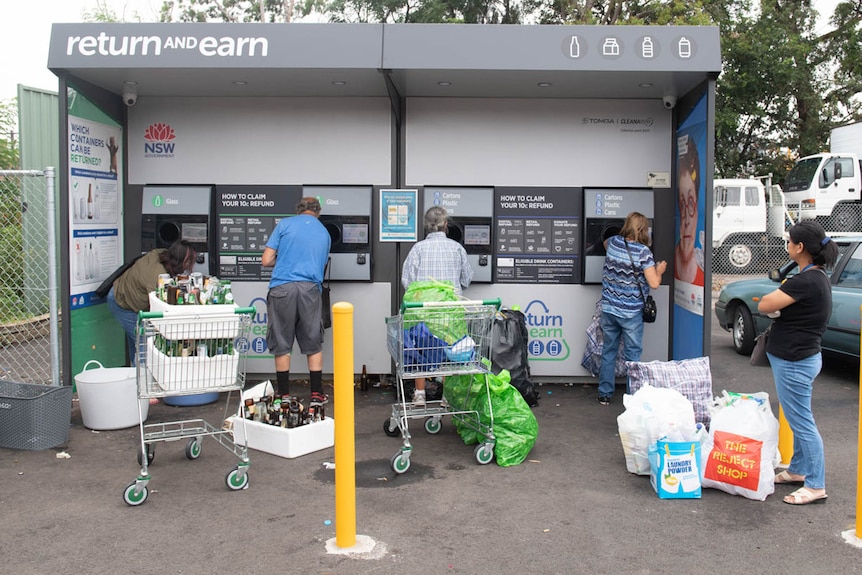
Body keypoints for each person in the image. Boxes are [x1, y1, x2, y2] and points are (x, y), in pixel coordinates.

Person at [758, 220, 838, 505]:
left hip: (795, 360)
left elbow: (765, 304)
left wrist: (776, 303)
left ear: (800, 247)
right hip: (802, 357)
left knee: (802, 423)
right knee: (797, 417)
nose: (787, 245)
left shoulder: (805, 281)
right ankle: (799, 471)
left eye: (790, 242)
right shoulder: (815, 277)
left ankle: (816, 485)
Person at [262, 197, 331, 408]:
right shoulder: (324, 233)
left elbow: (266, 260)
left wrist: (282, 260)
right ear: (317, 212)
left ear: (298, 210)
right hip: (310, 289)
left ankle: (283, 395)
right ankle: (317, 394)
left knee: (282, 342)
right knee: (313, 340)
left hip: (282, 288)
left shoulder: (284, 224)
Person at [401, 206, 473, 406]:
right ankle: (446, 396)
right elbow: (467, 279)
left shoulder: (418, 249)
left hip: (423, 311)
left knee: (421, 348)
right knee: (451, 350)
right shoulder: (457, 248)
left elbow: (407, 281)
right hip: (450, 312)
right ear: (446, 225)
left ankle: (420, 393)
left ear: (426, 226)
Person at [597, 212, 666, 405]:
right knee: (632, 355)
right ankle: (633, 397)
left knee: (608, 351)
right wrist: (659, 270)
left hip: (609, 309)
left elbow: (603, 241)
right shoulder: (643, 253)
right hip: (630, 313)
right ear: (644, 230)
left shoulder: (613, 243)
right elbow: (653, 283)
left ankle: (604, 393)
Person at [107, 240, 197, 365]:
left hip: (127, 295)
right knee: (146, 343)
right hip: (122, 302)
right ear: (181, 260)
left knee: (138, 343)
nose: (189, 266)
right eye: (188, 262)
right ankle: (141, 379)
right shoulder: (156, 277)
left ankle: (134, 375)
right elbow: (160, 307)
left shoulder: (160, 254)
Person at [674, 137, 705, 285]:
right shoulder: (667, 262)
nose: (686, 220)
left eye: (691, 205)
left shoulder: (702, 271)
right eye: (682, 205)